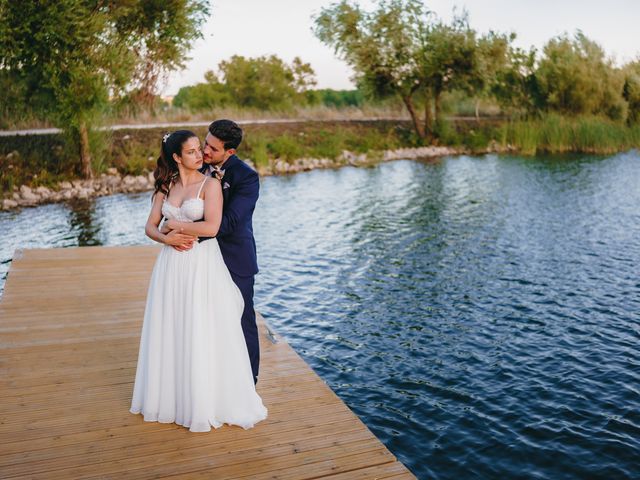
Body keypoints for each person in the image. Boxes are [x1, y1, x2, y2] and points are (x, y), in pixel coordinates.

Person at [129, 129, 267, 432]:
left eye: (206, 149)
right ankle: (173, 395)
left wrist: (175, 225)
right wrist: (165, 239)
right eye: (195, 149)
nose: (202, 153)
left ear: (227, 152)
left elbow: (215, 225)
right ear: (178, 157)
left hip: (208, 260)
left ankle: (237, 386)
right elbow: (150, 227)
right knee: (173, 324)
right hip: (171, 264)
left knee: (223, 322)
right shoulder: (168, 183)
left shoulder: (220, 181)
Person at [164, 119, 261, 385]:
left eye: (213, 149)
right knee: (204, 319)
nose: (205, 152)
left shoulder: (247, 178)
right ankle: (212, 380)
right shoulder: (197, 167)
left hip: (233, 259)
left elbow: (226, 224)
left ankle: (248, 382)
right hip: (199, 260)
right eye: (205, 144)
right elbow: (175, 203)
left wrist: (181, 226)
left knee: (242, 319)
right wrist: (169, 228)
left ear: (230, 152)